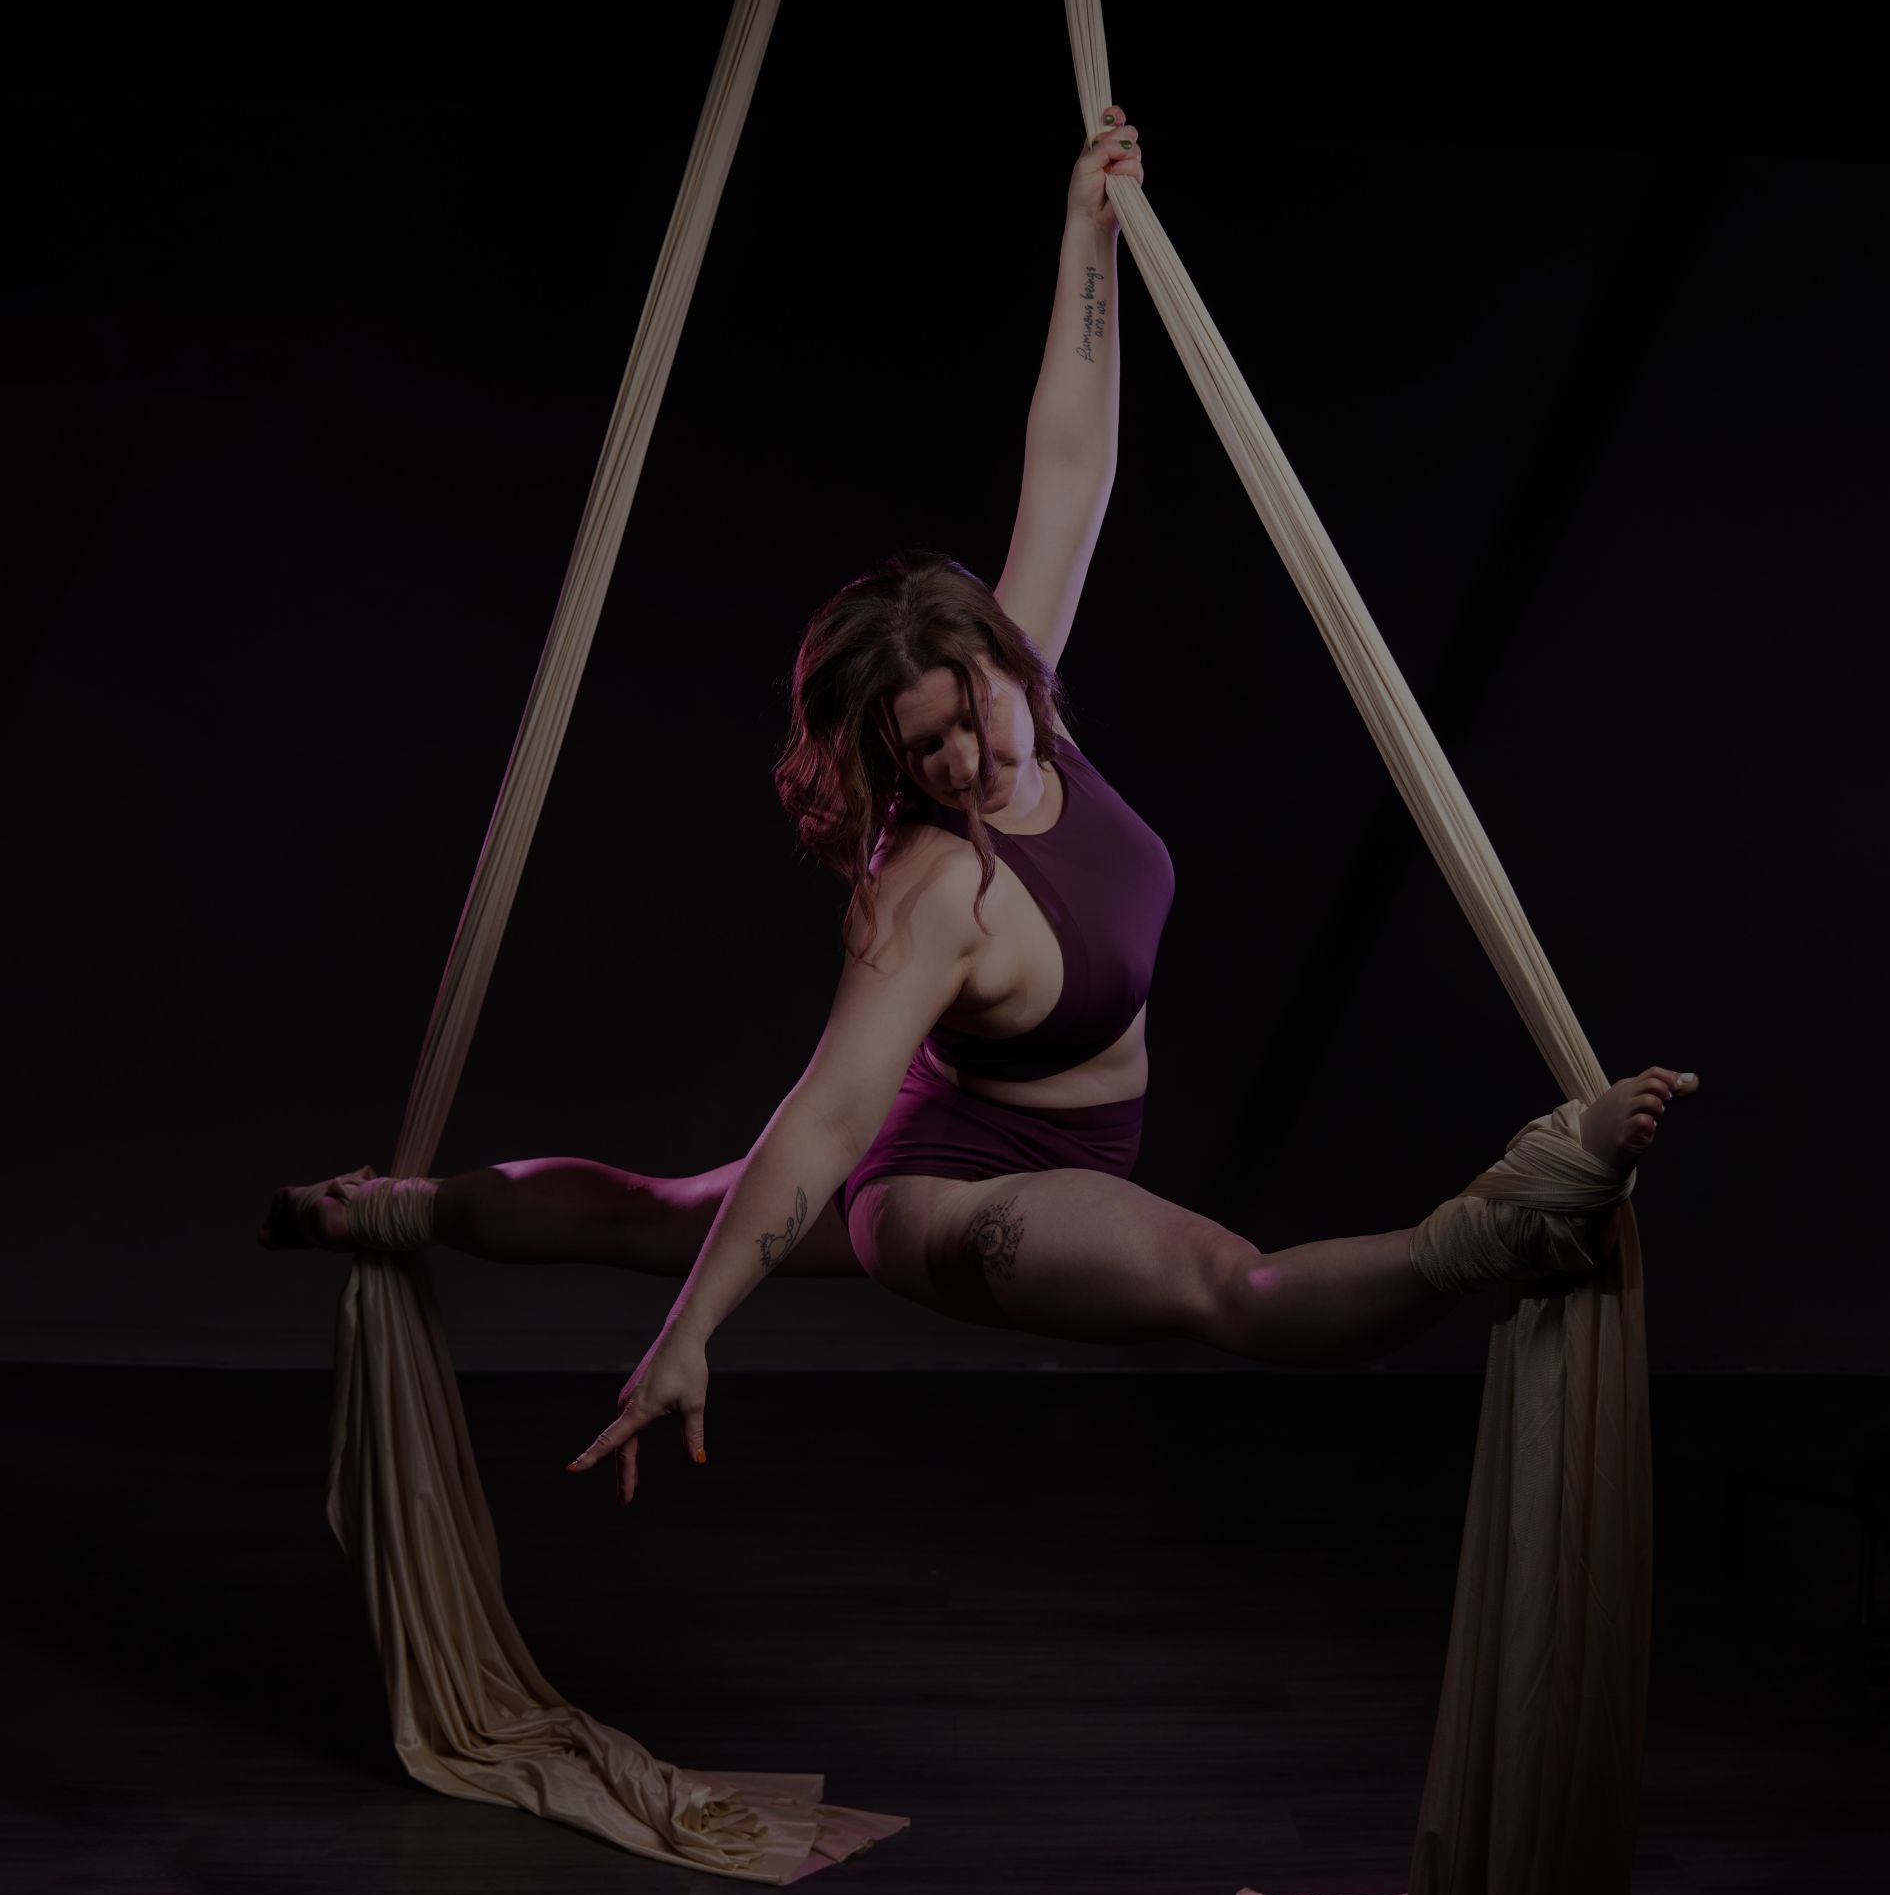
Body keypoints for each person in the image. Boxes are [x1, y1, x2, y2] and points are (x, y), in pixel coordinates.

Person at [263, 104, 1696, 1501]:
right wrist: (690, 1340)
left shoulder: (1023, 690)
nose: (971, 760)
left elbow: (1072, 466)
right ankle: (1493, 1234)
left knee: (655, 1212)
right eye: (925, 751)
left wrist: (1087, 235)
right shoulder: (933, 891)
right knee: (1228, 1286)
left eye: (976, 714)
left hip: (1000, 1134)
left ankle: (394, 1211)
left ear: (1007, 664)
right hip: (950, 1194)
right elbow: (825, 1124)